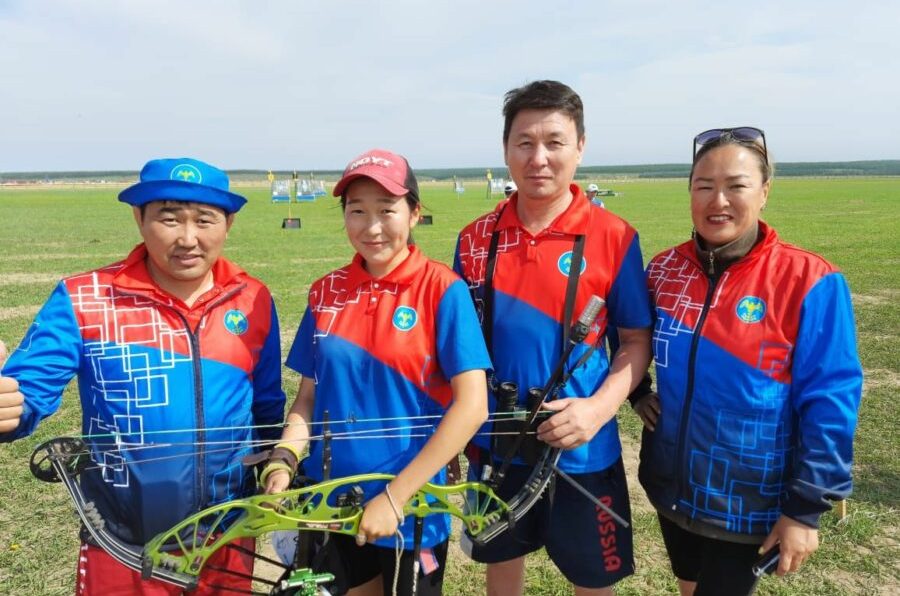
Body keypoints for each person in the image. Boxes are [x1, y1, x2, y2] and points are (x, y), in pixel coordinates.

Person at [0, 157, 286, 595]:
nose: (187, 238)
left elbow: (266, 408)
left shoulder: (252, 299)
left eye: (204, 220)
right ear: (139, 218)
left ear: (228, 224)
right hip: (121, 546)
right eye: (169, 219)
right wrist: (9, 409)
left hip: (226, 541)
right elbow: (26, 394)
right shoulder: (85, 299)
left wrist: (275, 469)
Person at [631, 127, 863, 595]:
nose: (718, 200)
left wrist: (805, 509)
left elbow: (832, 400)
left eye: (736, 185)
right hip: (670, 485)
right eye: (703, 186)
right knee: (689, 584)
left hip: (748, 500)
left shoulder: (809, 279)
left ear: (764, 192)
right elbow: (628, 338)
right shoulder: (663, 270)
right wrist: (637, 392)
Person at [454, 80, 652, 595]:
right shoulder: (474, 239)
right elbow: (457, 349)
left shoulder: (615, 236)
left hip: (582, 447)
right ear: (505, 149)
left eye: (555, 142)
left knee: (594, 578)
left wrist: (597, 410)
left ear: (580, 147)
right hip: (494, 443)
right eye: (524, 142)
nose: (538, 158)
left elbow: (635, 340)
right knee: (501, 564)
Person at [264, 148, 490, 595]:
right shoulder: (325, 292)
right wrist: (284, 458)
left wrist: (395, 496)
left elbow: (473, 406)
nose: (371, 227)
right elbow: (308, 399)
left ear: (414, 213)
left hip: (415, 508)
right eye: (357, 211)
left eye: (387, 210)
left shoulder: (443, 289)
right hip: (333, 503)